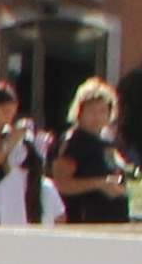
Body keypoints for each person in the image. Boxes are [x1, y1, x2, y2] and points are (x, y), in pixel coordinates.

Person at [0, 82, 55, 230]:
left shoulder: (7, 133)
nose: (8, 119)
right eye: (4, 112)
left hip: (4, 206)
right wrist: (8, 144)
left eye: (11, 114)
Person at [53, 80, 132, 226]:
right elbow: (60, 183)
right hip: (85, 223)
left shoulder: (106, 143)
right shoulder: (76, 141)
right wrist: (99, 184)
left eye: (102, 111)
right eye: (91, 111)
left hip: (112, 225)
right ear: (79, 112)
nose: (96, 117)